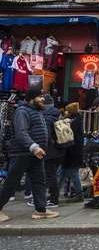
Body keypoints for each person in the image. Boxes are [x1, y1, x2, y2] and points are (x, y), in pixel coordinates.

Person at [0, 88, 59, 222]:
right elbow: (21, 132)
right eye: (40, 97)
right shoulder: (22, 111)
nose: (42, 99)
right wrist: (34, 147)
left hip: (34, 154)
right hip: (23, 153)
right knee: (11, 182)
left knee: (39, 181)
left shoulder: (35, 111)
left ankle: (41, 209)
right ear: (31, 99)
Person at [34, 94, 64, 208]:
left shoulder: (46, 117)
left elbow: (44, 135)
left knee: (49, 174)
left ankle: (53, 198)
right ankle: (50, 197)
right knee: (52, 174)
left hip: (49, 150)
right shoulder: (58, 114)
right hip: (57, 149)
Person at [57, 102, 85, 203]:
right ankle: (55, 193)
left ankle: (79, 194)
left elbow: (66, 136)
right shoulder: (76, 120)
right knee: (64, 173)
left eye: (67, 110)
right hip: (72, 152)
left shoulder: (73, 122)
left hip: (71, 152)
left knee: (69, 173)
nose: (65, 112)